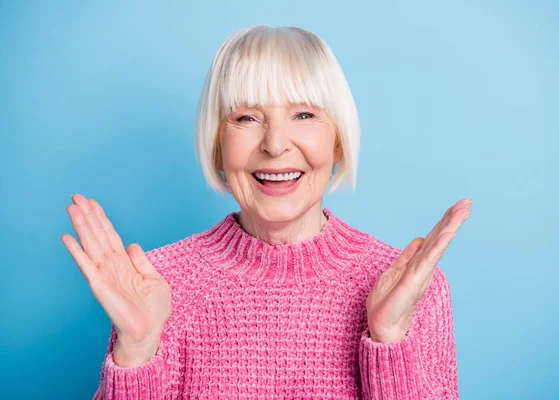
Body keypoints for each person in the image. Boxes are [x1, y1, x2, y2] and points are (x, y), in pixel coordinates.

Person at [61, 24, 470, 399]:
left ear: (338, 141)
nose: (275, 145)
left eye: (304, 115)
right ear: (218, 143)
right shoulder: (154, 286)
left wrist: (390, 339)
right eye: (247, 117)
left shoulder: (412, 290)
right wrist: (136, 353)